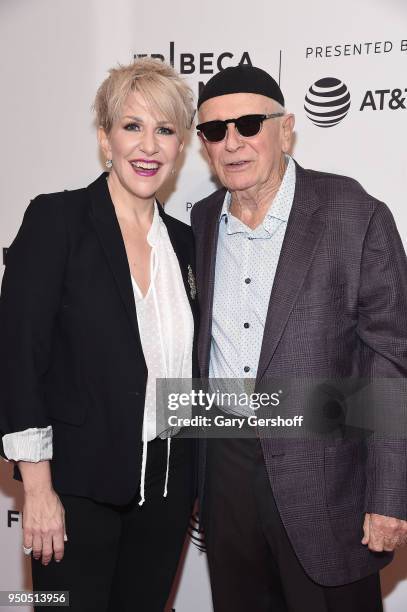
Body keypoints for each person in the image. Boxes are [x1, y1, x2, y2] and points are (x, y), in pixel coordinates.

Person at [191, 64, 407, 612]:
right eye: (214, 131)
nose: (232, 142)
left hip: (328, 480)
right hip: (226, 473)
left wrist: (389, 497)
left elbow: (390, 362)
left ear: (285, 129)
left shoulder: (355, 214)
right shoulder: (200, 221)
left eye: (247, 124)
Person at [0, 57, 198, 612]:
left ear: (181, 147)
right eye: (132, 126)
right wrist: (37, 490)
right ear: (106, 140)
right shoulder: (57, 220)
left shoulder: (185, 244)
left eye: (165, 130)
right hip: (73, 491)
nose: (148, 145)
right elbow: (19, 355)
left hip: (164, 493)